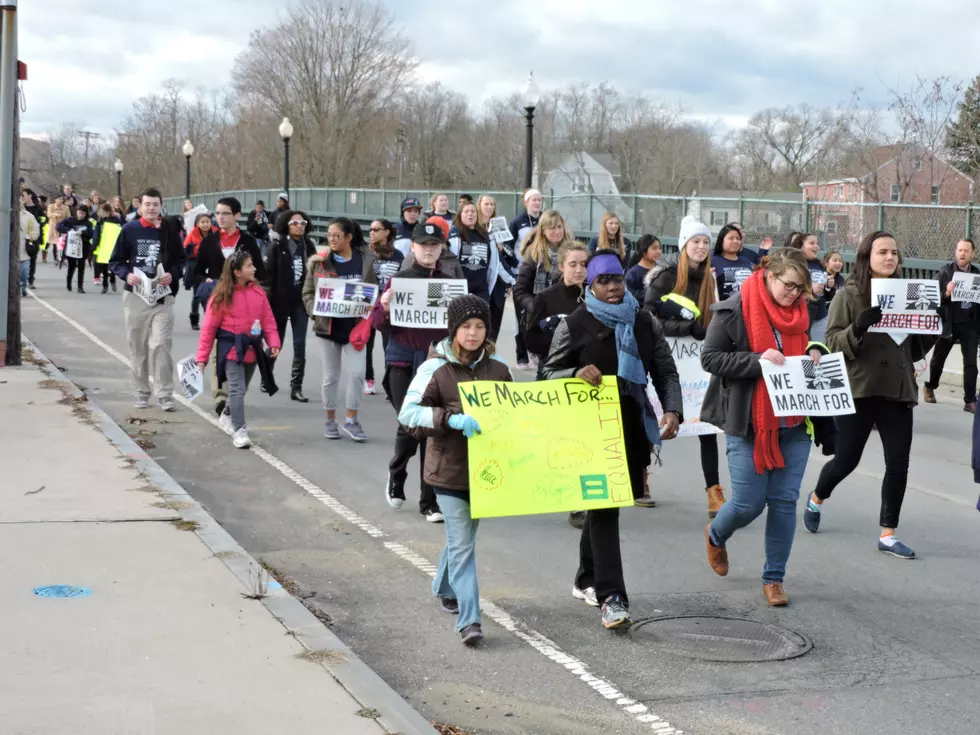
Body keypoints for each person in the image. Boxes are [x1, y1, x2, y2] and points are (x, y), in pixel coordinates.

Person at [542, 249, 682, 628]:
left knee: (608, 504)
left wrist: (672, 410)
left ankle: (586, 578)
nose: (613, 287)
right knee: (605, 505)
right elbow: (546, 375)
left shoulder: (644, 322)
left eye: (617, 279)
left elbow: (665, 371)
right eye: (603, 281)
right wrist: (573, 371)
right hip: (588, 432)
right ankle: (612, 597)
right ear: (590, 285)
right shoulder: (574, 323)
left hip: (631, 426)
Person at [804, 231, 938, 559]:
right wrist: (858, 328)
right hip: (860, 389)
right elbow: (832, 342)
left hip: (897, 390)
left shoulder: (909, 293)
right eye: (882, 252)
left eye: (894, 252)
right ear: (867, 256)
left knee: (898, 464)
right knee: (846, 460)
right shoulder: (850, 294)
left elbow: (916, 350)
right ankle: (817, 497)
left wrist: (932, 325)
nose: (890, 257)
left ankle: (888, 532)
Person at [701, 248, 823, 607]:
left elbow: (814, 341)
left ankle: (774, 578)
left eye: (801, 288)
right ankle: (716, 534)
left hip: (795, 422)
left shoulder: (803, 310)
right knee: (748, 503)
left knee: (785, 502)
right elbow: (710, 357)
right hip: (750, 422)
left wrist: (816, 348)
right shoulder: (735, 308)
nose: (794, 294)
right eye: (789, 285)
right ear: (769, 275)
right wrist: (756, 361)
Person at [398, 294, 511, 646]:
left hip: (484, 473)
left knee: (462, 540)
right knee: (463, 545)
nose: (473, 333)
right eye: (466, 327)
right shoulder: (434, 368)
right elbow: (408, 414)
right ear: (454, 330)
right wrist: (451, 419)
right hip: (447, 472)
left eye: (479, 326)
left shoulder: (499, 369)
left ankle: (443, 585)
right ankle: (470, 621)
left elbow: (513, 417)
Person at [370, 221, 454, 523]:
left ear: (441, 248)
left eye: (434, 245)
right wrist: (384, 306)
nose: (429, 249)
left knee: (429, 430)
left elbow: (457, 327)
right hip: (402, 363)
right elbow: (378, 323)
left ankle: (428, 501)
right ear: (414, 248)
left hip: (435, 365)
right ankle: (397, 472)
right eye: (423, 245)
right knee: (410, 423)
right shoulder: (399, 280)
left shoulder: (449, 282)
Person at [645, 216, 726, 518]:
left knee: (706, 425)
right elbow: (648, 316)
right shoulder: (665, 276)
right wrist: (686, 328)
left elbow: (713, 318)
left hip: (697, 362)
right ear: (684, 245)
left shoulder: (710, 278)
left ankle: (714, 491)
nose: (702, 247)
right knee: (655, 418)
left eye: (706, 242)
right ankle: (642, 474)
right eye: (696, 241)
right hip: (665, 358)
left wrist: (710, 332)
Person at [108, 187, 186, 412]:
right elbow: (116, 260)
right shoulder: (129, 229)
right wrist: (126, 275)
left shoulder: (170, 230)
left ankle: (164, 393)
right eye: (147, 204)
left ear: (161, 205)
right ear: (139, 206)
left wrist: (173, 274)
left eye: (155, 204)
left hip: (163, 297)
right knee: (138, 347)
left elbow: (181, 260)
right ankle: (142, 390)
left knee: (161, 344)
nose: (151, 208)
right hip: (136, 296)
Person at [196, 250, 281, 449]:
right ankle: (240, 429)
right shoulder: (221, 296)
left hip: (253, 347)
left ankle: (227, 413)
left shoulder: (258, 291)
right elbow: (208, 329)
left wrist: (274, 342)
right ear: (237, 272)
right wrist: (202, 358)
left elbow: (268, 320)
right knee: (237, 388)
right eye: (249, 265)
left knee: (240, 391)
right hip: (231, 348)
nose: (255, 268)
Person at [302, 217, 377, 442]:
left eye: (336, 236)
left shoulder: (365, 261)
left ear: (348, 237)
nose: (332, 240)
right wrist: (315, 312)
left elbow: (372, 289)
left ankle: (352, 420)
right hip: (328, 329)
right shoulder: (320, 262)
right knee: (331, 377)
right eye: (329, 236)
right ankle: (330, 419)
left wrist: (370, 307)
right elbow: (307, 292)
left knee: (356, 374)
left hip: (356, 329)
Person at [195, 197, 267, 420]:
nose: (220, 217)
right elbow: (195, 272)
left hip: (242, 305)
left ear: (237, 215)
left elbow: (260, 272)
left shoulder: (247, 242)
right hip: (217, 303)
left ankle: (235, 393)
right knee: (218, 348)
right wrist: (207, 282)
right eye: (217, 213)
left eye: (225, 213)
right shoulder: (209, 241)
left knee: (241, 351)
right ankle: (221, 396)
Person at [513, 210, 576, 370]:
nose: (556, 231)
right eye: (551, 228)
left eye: (559, 227)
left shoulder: (573, 254)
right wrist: (536, 307)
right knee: (548, 363)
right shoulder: (533, 256)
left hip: (570, 316)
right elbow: (519, 290)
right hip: (542, 319)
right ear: (543, 230)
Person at [266, 210, 318, 402]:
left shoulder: (309, 246)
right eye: (295, 223)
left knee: (300, 345)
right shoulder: (276, 246)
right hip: (279, 302)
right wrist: (266, 303)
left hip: (300, 302)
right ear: (286, 225)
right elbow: (268, 276)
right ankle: (267, 375)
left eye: (303, 223)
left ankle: (296, 387)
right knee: (275, 343)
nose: (299, 226)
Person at [924, 238, 980, 413]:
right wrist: (947, 292)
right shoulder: (945, 272)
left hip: (969, 324)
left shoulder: (977, 274)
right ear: (956, 252)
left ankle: (970, 400)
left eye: (966, 251)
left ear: (972, 253)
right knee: (938, 359)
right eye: (960, 250)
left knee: (971, 363)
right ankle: (930, 386)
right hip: (948, 323)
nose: (962, 253)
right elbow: (931, 297)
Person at [525, 241, 587, 363]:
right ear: (561, 266)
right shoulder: (545, 298)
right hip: (554, 368)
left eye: (584, 264)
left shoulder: (594, 296)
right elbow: (531, 339)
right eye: (573, 265)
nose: (579, 270)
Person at [364, 218, 404, 395]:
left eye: (376, 229)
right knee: (366, 344)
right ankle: (368, 379)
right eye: (370, 230)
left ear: (387, 232)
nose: (372, 232)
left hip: (389, 306)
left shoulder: (398, 256)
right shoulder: (365, 253)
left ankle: (390, 382)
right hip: (368, 304)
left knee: (389, 346)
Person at [509, 189, 543, 369]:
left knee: (538, 313)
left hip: (542, 275)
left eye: (539, 200)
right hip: (522, 274)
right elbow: (508, 246)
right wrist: (516, 265)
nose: (537, 203)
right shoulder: (517, 222)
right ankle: (521, 355)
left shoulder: (545, 220)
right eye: (534, 200)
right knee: (520, 317)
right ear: (526, 202)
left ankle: (537, 351)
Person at [476, 194, 515, 342]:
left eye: (492, 204)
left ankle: (491, 351)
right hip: (482, 279)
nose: (489, 207)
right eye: (486, 204)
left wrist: (502, 248)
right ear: (479, 205)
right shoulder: (475, 226)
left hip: (500, 280)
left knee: (496, 320)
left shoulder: (499, 226)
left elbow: (511, 255)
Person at [448, 201, 497, 304]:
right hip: (460, 291)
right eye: (466, 211)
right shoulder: (454, 236)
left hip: (481, 291)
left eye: (473, 211)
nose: (470, 214)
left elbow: (493, 265)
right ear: (460, 215)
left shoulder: (486, 237)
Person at [786, 232, 831, 342]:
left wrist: (829, 286)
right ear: (801, 246)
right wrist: (811, 290)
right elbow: (787, 289)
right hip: (800, 315)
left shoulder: (819, 265)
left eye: (817, 243)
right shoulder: (793, 264)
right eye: (811, 243)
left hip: (820, 315)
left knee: (819, 351)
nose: (816, 246)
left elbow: (827, 295)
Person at [183, 213, 212, 330]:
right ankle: (194, 319)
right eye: (202, 222)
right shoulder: (192, 234)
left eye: (207, 222)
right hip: (196, 267)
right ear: (198, 224)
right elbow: (185, 249)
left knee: (211, 294)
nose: (205, 224)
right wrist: (197, 248)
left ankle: (210, 320)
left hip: (211, 266)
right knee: (197, 295)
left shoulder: (215, 233)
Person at [57, 204, 94, 293]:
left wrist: (84, 232)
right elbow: (59, 226)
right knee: (71, 266)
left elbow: (92, 233)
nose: (81, 215)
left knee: (81, 266)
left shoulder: (88, 223)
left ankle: (80, 286)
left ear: (86, 214)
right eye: (80, 213)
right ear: (77, 212)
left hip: (83, 247)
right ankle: (69, 282)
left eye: (83, 214)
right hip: (71, 246)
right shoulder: (70, 220)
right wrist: (69, 230)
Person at [711, 224, 754, 301]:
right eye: (731, 238)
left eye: (738, 238)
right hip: (724, 310)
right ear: (721, 241)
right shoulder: (712, 261)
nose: (735, 241)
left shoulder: (747, 262)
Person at [92, 203, 123, 294]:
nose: (100, 213)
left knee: (111, 267)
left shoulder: (115, 221)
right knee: (104, 268)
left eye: (102, 211)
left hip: (112, 247)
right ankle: (105, 285)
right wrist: (94, 246)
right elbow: (96, 236)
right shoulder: (100, 221)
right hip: (103, 247)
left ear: (107, 211)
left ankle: (112, 282)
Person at [625, 234, 661, 301]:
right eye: (654, 248)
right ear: (643, 251)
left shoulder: (662, 270)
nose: (658, 251)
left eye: (659, 248)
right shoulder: (633, 273)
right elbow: (631, 296)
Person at [18, 196, 40, 297]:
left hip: (24, 248)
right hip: (10, 249)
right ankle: (15, 289)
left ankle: (23, 286)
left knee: (24, 271)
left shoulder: (28, 216)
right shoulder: (6, 214)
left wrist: (30, 237)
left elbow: (35, 229)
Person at [46, 195, 70, 262]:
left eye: (62, 199)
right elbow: (49, 214)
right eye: (59, 199)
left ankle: (61, 257)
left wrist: (65, 222)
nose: (61, 200)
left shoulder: (66, 208)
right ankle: (56, 258)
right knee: (54, 243)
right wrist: (55, 215)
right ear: (55, 200)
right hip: (53, 227)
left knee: (61, 244)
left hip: (62, 227)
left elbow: (68, 217)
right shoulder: (51, 206)